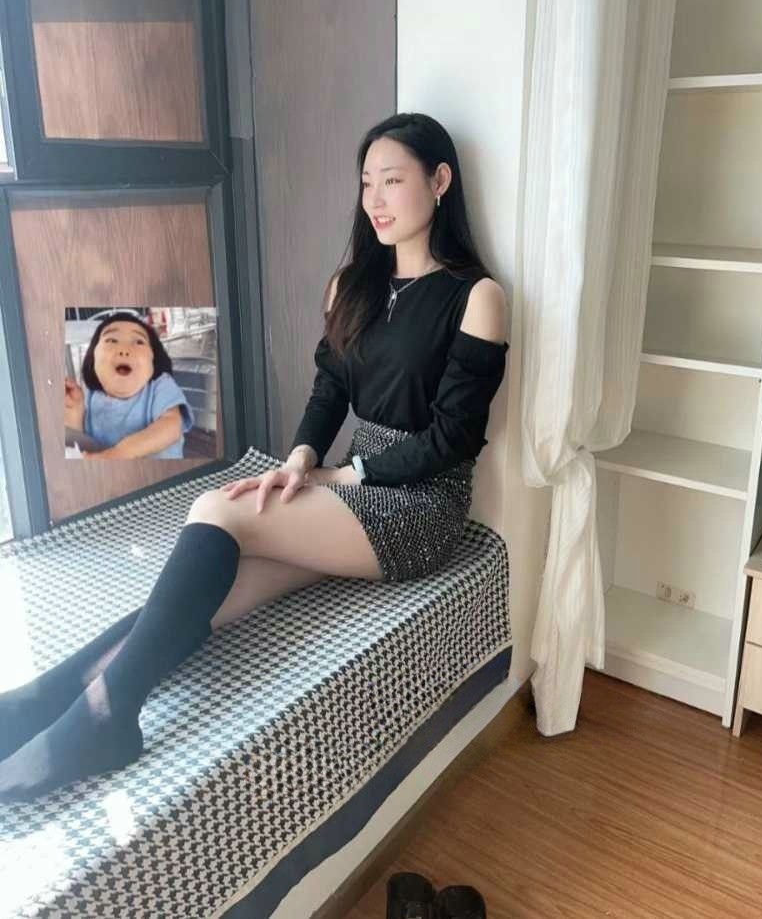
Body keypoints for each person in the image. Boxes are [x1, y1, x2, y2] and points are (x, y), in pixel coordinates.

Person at [0, 112, 509, 803]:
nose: (376, 200)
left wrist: (348, 474)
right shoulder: (352, 284)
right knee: (205, 588)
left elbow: (455, 439)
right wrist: (300, 459)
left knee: (217, 508)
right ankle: (49, 697)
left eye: (392, 181)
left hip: (422, 506)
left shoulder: (477, 297)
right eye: (366, 183)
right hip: (353, 490)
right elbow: (330, 390)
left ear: (440, 180)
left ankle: (103, 718)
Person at [64, 312, 195, 459]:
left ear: (153, 359)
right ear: (93, 358)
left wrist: (116, 454)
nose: (124, 350)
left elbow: (171, 426)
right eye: (112, 340)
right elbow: (80, 447)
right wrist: (75, 411)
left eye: (139, 342)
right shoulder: (92, 395)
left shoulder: (160, 387)